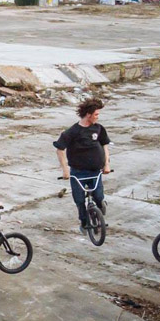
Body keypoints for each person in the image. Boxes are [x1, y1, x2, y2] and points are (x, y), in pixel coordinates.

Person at [54, 98, 111, 234]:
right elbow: (60, 149)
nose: (97, 117)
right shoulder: (73, 131)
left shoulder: (98, 128)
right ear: (88, 114)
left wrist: (107, 164)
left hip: (95, 171)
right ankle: (84, 222)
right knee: (79, 200)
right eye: (96, 114)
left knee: (98, 196)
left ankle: (100, 206)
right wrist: (65, 170)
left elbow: (105, 145)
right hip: (78, 173)